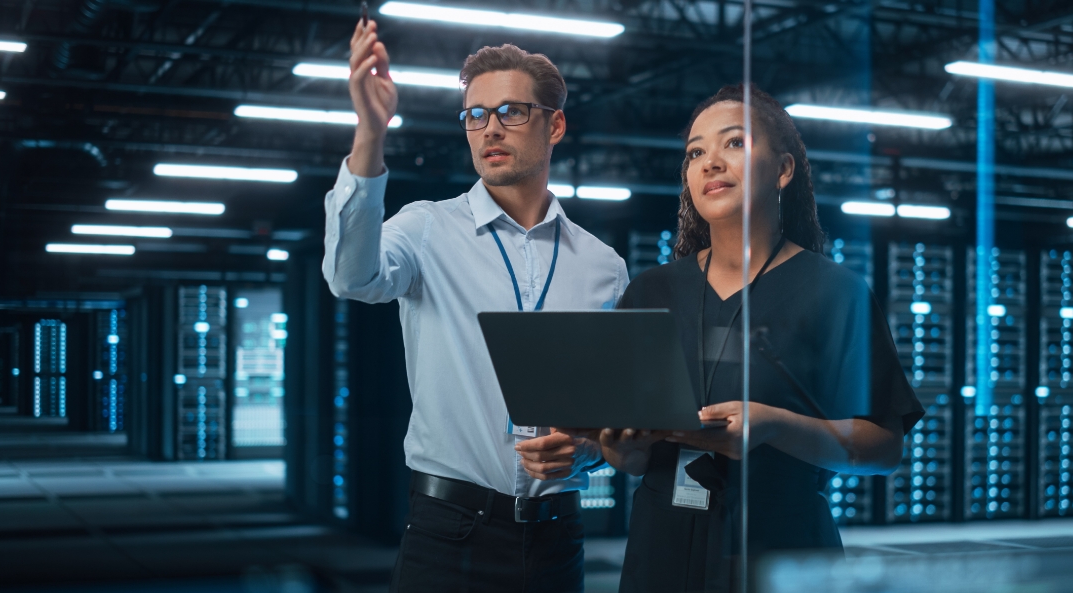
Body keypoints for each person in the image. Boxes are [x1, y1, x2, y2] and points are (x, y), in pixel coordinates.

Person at [322, 18, 628, 593]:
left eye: (512, 112)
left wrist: (588, 451)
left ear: (554, 124)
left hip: (559, 537)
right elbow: (350, 277)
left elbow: (614, 415)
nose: (491, 128)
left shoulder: (603, 266)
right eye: (476, 115)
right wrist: (370, 131)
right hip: (448, 533)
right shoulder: (426, 229)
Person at [600, 85, 925, 592]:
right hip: (663, 546)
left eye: (734, 143)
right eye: (695, 152)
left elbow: (885, 448)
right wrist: (622, 446)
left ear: (784, 170)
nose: (710, 162)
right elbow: (632, 459)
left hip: (783, 547)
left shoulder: (835, 293)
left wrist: (775, 425)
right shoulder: (652, 290)